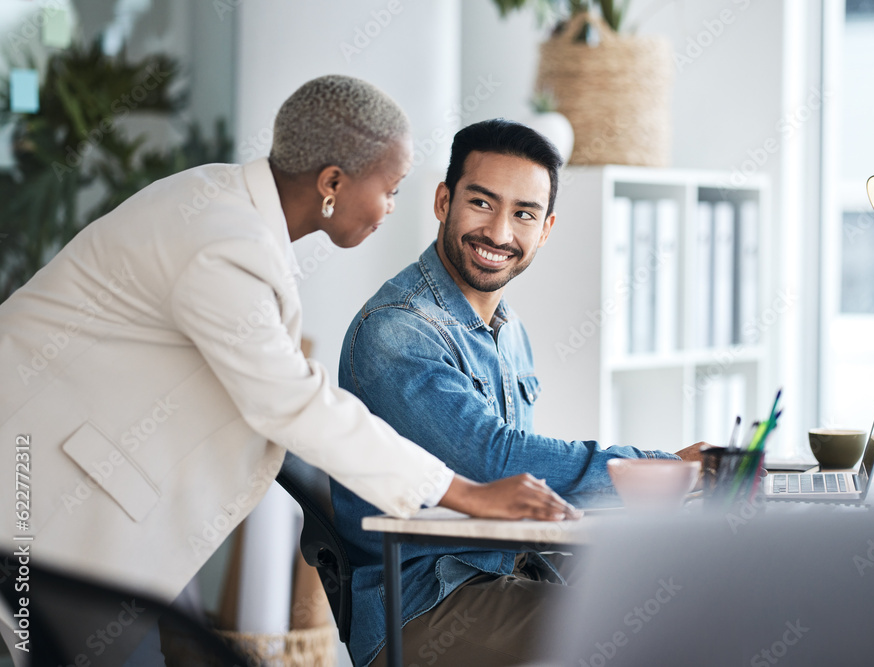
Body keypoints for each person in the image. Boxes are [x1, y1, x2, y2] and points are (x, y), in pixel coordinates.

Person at [0, 78, 576, 661]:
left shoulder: (228, 213)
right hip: (34, 505)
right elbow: (293, 401)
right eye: (391, 189)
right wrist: (465, 492)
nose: (391, 208)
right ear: (333, 183)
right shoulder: (222, 239)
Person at [331, 119, 704, 667]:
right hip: (427, 603)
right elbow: (497, 461)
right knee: (639, 640)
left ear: (545, 229)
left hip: (515, 568)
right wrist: (658, 469)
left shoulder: (510, 331)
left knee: (696, 603)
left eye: (524, 214)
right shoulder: (398, 330)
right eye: (482, 203)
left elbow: (523, 499)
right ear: (443, 201)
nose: (500, 233)